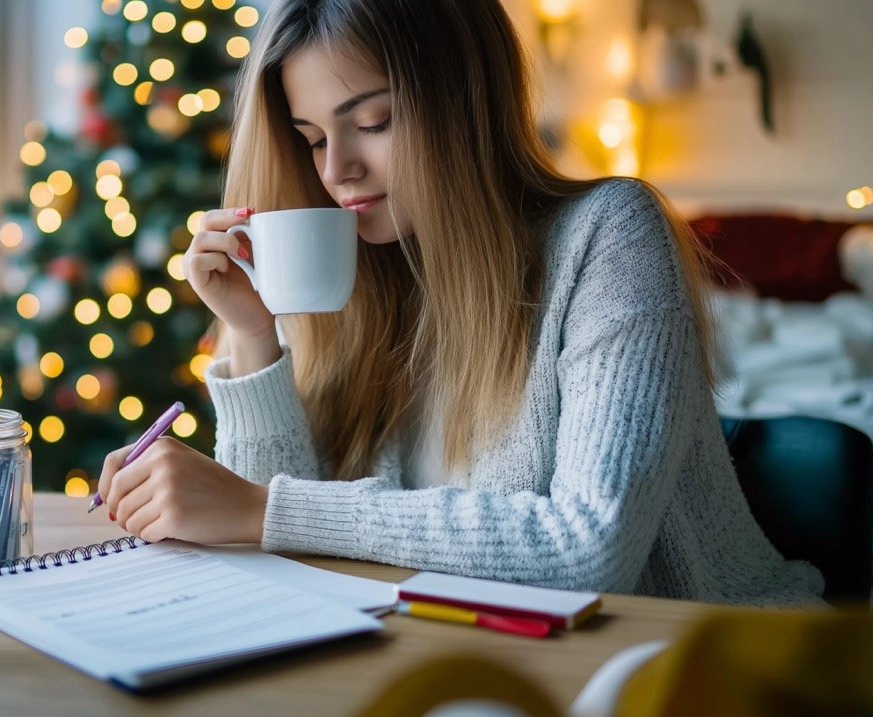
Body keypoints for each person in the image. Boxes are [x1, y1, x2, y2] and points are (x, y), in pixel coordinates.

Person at [96, 0, 824, 606]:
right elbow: (288, 547)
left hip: (714, 669)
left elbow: (588, 547)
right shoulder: (374, 276)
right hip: (493, 665)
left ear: (465, 103)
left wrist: (261, 510)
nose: (336, 169)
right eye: (312, 137)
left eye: (373, 122)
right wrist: (253, 336)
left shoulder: (610, 235)